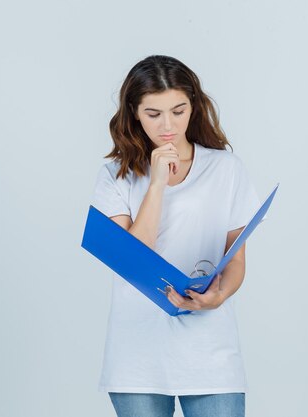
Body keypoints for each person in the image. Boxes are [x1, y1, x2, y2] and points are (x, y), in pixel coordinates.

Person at [89, 55, 262, 417]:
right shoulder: (114, 177)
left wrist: (219, 296)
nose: (168, 125)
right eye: (154, 114)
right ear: (134, 112)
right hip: (137, 356)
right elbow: (131, 258)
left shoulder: (226, 169)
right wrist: (157, 184)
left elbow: (237, 259)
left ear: (193, 107)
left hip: (211, 353)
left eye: (178, 111)